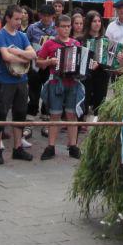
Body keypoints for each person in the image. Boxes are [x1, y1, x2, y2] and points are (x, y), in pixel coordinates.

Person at [0, 4, 37, 165]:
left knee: (20, 113)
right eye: (16, 19)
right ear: (8, 18)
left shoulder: (22, 36)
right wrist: (23, 57)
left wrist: (17, 52)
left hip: (21, 80)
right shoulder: (0, 35)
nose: (19, 22)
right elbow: (5, 57)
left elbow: (33, 54)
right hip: (6, 81)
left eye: (20, 19)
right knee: (1, 114)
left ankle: (17, 148)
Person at [36, 14, 84, 159]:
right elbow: (38, 62)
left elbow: (81, 63)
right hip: (56, 82)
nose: (66, 29)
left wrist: (88, 66)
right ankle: (51, 146)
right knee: (55, 114)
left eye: (68, 26)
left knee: (72, 114)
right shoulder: (49, 44)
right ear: (56, 28)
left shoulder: (76, 44)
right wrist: (49, 62)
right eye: (63, 27)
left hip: (73, 82)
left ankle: (73, 146)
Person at [26, 4, 56, 120]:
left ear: (53, 16)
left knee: (49, 88)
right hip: (35, 62)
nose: (46, 18)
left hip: (50, 63)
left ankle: (45, 111)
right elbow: (26, 43)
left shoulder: (56, 28)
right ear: (40, 15)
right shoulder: (32, 28)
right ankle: (32, 111)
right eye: (44, 15)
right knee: (34, 89)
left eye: (49, 16)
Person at [79, 11, 110, 116]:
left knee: (99, 105)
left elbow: (107, 61)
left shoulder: (105, 39)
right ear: (89, 23)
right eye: (94, 21)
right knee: (84, 102)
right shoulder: (81, 39)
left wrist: (99, 63)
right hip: (86, 75)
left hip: (101, 75)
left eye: (99, 21)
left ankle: (97, 122)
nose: (97, 24)